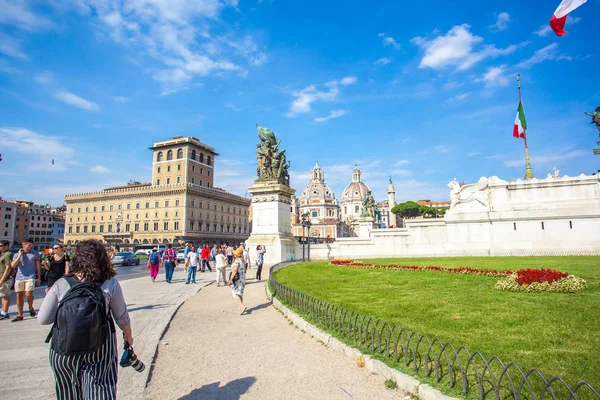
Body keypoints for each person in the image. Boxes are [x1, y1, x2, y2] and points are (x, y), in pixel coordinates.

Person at [38, 239, 134, 399]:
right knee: (100, 387)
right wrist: (128, 337)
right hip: (100, 346)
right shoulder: (110, 283)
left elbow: (43, 319)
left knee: (67, 393)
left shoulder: (62, 283)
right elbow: (122, 317)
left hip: (64, 347)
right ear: (102, 258)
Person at [10, 238, 41, 322]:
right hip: (19, 277)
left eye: (31, 245)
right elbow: (13, 265)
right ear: (23, 245)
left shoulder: (35, 254)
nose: (30, 247)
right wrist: (20, 255)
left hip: (30, 276)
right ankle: (20, 314)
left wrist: (39, 278)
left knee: (28, 294)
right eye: (28, 245)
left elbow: (38, 266)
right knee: (19, 295)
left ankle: (30, 307)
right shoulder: (17, 254)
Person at [229, 247, 247, 315]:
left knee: (234, 293)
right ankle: (240, 307)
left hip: (237, 278)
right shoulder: (243, 260)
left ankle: (242, 306)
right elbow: (244, 269)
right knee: (240, 292)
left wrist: (231, 279)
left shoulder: (237, 261)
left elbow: (235, 270)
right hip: (242, 278)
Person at [0, 240, 14, 320]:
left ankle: (4, 312)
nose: (0, 247)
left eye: (1, 246)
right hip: (2, 278)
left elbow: (8, 267)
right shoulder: (3, 254)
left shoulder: (7, 254)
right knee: (3, 295)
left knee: (5, 295)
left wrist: (2, 279)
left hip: (5, 279)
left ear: (6, 246)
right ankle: (3, 311)